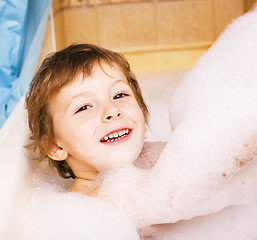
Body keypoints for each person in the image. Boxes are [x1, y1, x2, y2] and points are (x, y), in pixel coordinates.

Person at [26, 43, 166, 196]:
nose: (112, 110)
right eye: (84, 107)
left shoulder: (158, 159)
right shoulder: (97, 199)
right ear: (56, 147)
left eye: (119, 95)